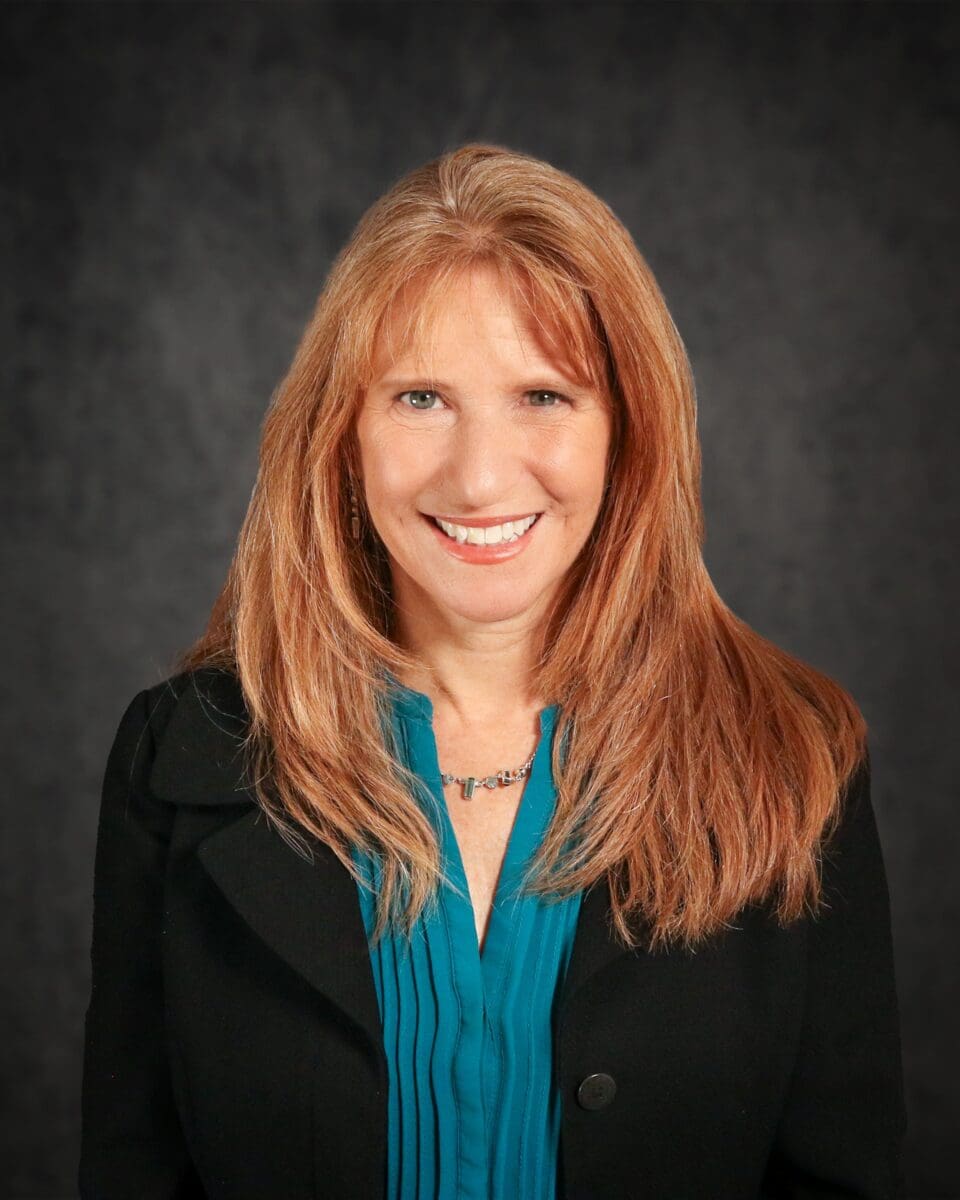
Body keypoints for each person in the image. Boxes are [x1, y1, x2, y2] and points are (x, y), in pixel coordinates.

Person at [79, 142, 908, 1200]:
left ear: (629, 431)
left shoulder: (794, 759)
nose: (477, 479)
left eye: (544, 397)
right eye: (420, 397)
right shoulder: (180, 755)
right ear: (342, 434)